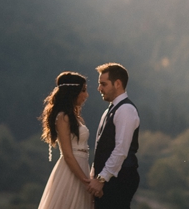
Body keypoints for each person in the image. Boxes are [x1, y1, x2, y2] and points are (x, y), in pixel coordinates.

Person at [37, 72, 94, 209]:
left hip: (82, 167)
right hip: (71, 172)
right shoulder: (63, 117)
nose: (86, 95)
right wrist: (86, 182)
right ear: (72, 92)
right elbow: (68, 155)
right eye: (83, 91)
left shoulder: (76, 117)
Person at [88, 63, 139, 209]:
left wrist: (101, 179)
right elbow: (101, 148)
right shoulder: (110, 110)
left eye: (103, 84)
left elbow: (121, 150)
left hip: (119, 180)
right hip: (109, 180)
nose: (99, 88)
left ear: (117, 83)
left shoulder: (126, 110)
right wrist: (95, 177)